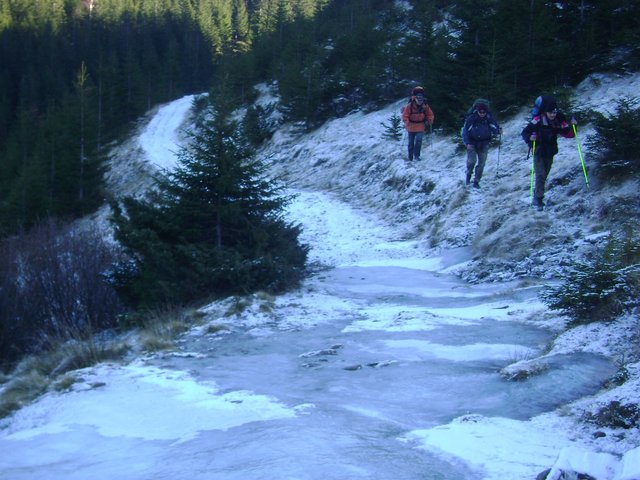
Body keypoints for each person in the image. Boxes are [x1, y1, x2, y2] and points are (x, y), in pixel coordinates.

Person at [521, 95, 577, 210]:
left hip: (550, 151)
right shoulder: (537, 120)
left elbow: (568, 134)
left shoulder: (558, 121)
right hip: (538, 150)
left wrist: (574, 126)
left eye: (554, 112)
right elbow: (525, 132)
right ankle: (538, 198)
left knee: (544, 174)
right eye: (550, 113)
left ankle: (538, 194)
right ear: (545, 112)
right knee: (540, 174)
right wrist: (529, 138)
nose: (552, 115)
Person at [461, 102, 501, 188]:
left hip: (484, 143)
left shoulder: (489, 118)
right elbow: (465, 132)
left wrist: (498, 131)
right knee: (472, 161)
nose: (482, 114)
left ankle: (476, 181)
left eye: (484, 112)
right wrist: (467, 143)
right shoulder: (471, 119)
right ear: (477, 111)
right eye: (480, 112)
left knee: (482, 163)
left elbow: (494, 128)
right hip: (472, 143)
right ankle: (468, 175)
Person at [402, 86, 434, 161]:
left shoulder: (425, 106)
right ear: (415, 98)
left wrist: (430, 120)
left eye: (421, 99)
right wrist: (406, 122)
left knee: (419, 141)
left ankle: (417, 156)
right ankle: (410, 157)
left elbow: (430, 114)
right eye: (418, 99)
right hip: (411, 126)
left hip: (420, 126)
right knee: (411, 143)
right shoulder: (409, 106)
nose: (420, 101)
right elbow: (405, 115)